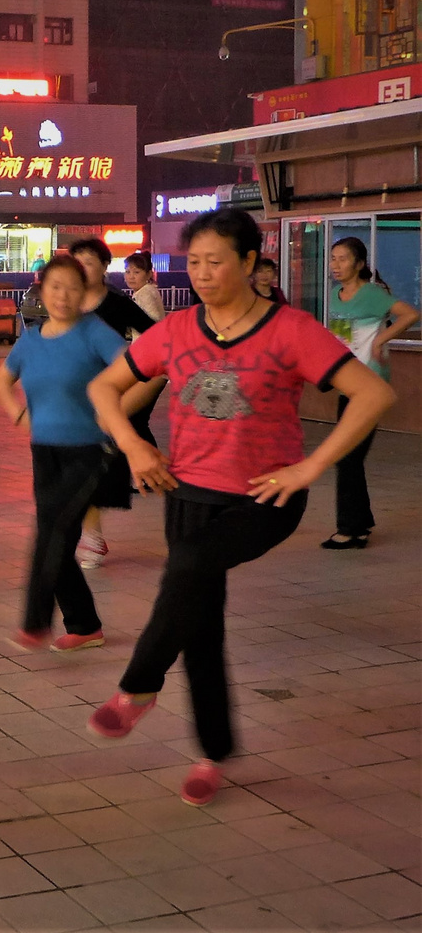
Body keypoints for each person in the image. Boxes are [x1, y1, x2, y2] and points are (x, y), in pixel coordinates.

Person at [85, 209, 394, 807]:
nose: (202, 274)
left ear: (251, 263)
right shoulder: (176, 329)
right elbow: (104, 388)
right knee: (198, 621)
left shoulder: (291, 329)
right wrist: (133, 445)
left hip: (265, 497)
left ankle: (138, 688)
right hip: (186, 494)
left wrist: (309, 467)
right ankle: (212, 754)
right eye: (194, 262)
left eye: (215, 262)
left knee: (191, 569)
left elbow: (373, 393)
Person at [0, 255, 138, 653]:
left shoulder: (96, 333)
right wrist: (19, 414)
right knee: (55, 538)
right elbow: (3, 380)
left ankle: (35, 622)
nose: (63, 295)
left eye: (73, 287)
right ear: (41, 290)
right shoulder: (32, 338)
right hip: (44, 451)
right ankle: (85, 625)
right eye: (55, 286)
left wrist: (117, 416)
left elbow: (143, 371)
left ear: (84, 293)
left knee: (51, 536)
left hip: (90, 452)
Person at [68, 238, 157, 569]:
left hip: (107, 398)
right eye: (76, 263)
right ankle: (88, 534)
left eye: (89, 262)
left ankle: (91, 536)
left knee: (90, 466)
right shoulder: (66, 303)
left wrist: (135, 375)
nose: (81, 269)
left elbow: (154, 336)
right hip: (71, 397)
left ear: (105, 267)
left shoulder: (118, 304)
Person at [323, 236, 416, 548]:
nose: (335, 265)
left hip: (371, 385)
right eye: (333, 258)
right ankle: (359, 524)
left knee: (347, 456)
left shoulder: (373, 294)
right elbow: (342, 337)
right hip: (347, 383)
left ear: (359, 263)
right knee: (349, 456)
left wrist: (380, 340)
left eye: (343, 259)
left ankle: (350, 530)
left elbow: (410, 314)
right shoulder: (337, 295)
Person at [123, 252, 165, 324]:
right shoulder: (147, 290)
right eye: (128, 272)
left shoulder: (145, 292)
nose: (131, 277)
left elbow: (152, 321)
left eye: (136, 272)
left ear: (149, 274)